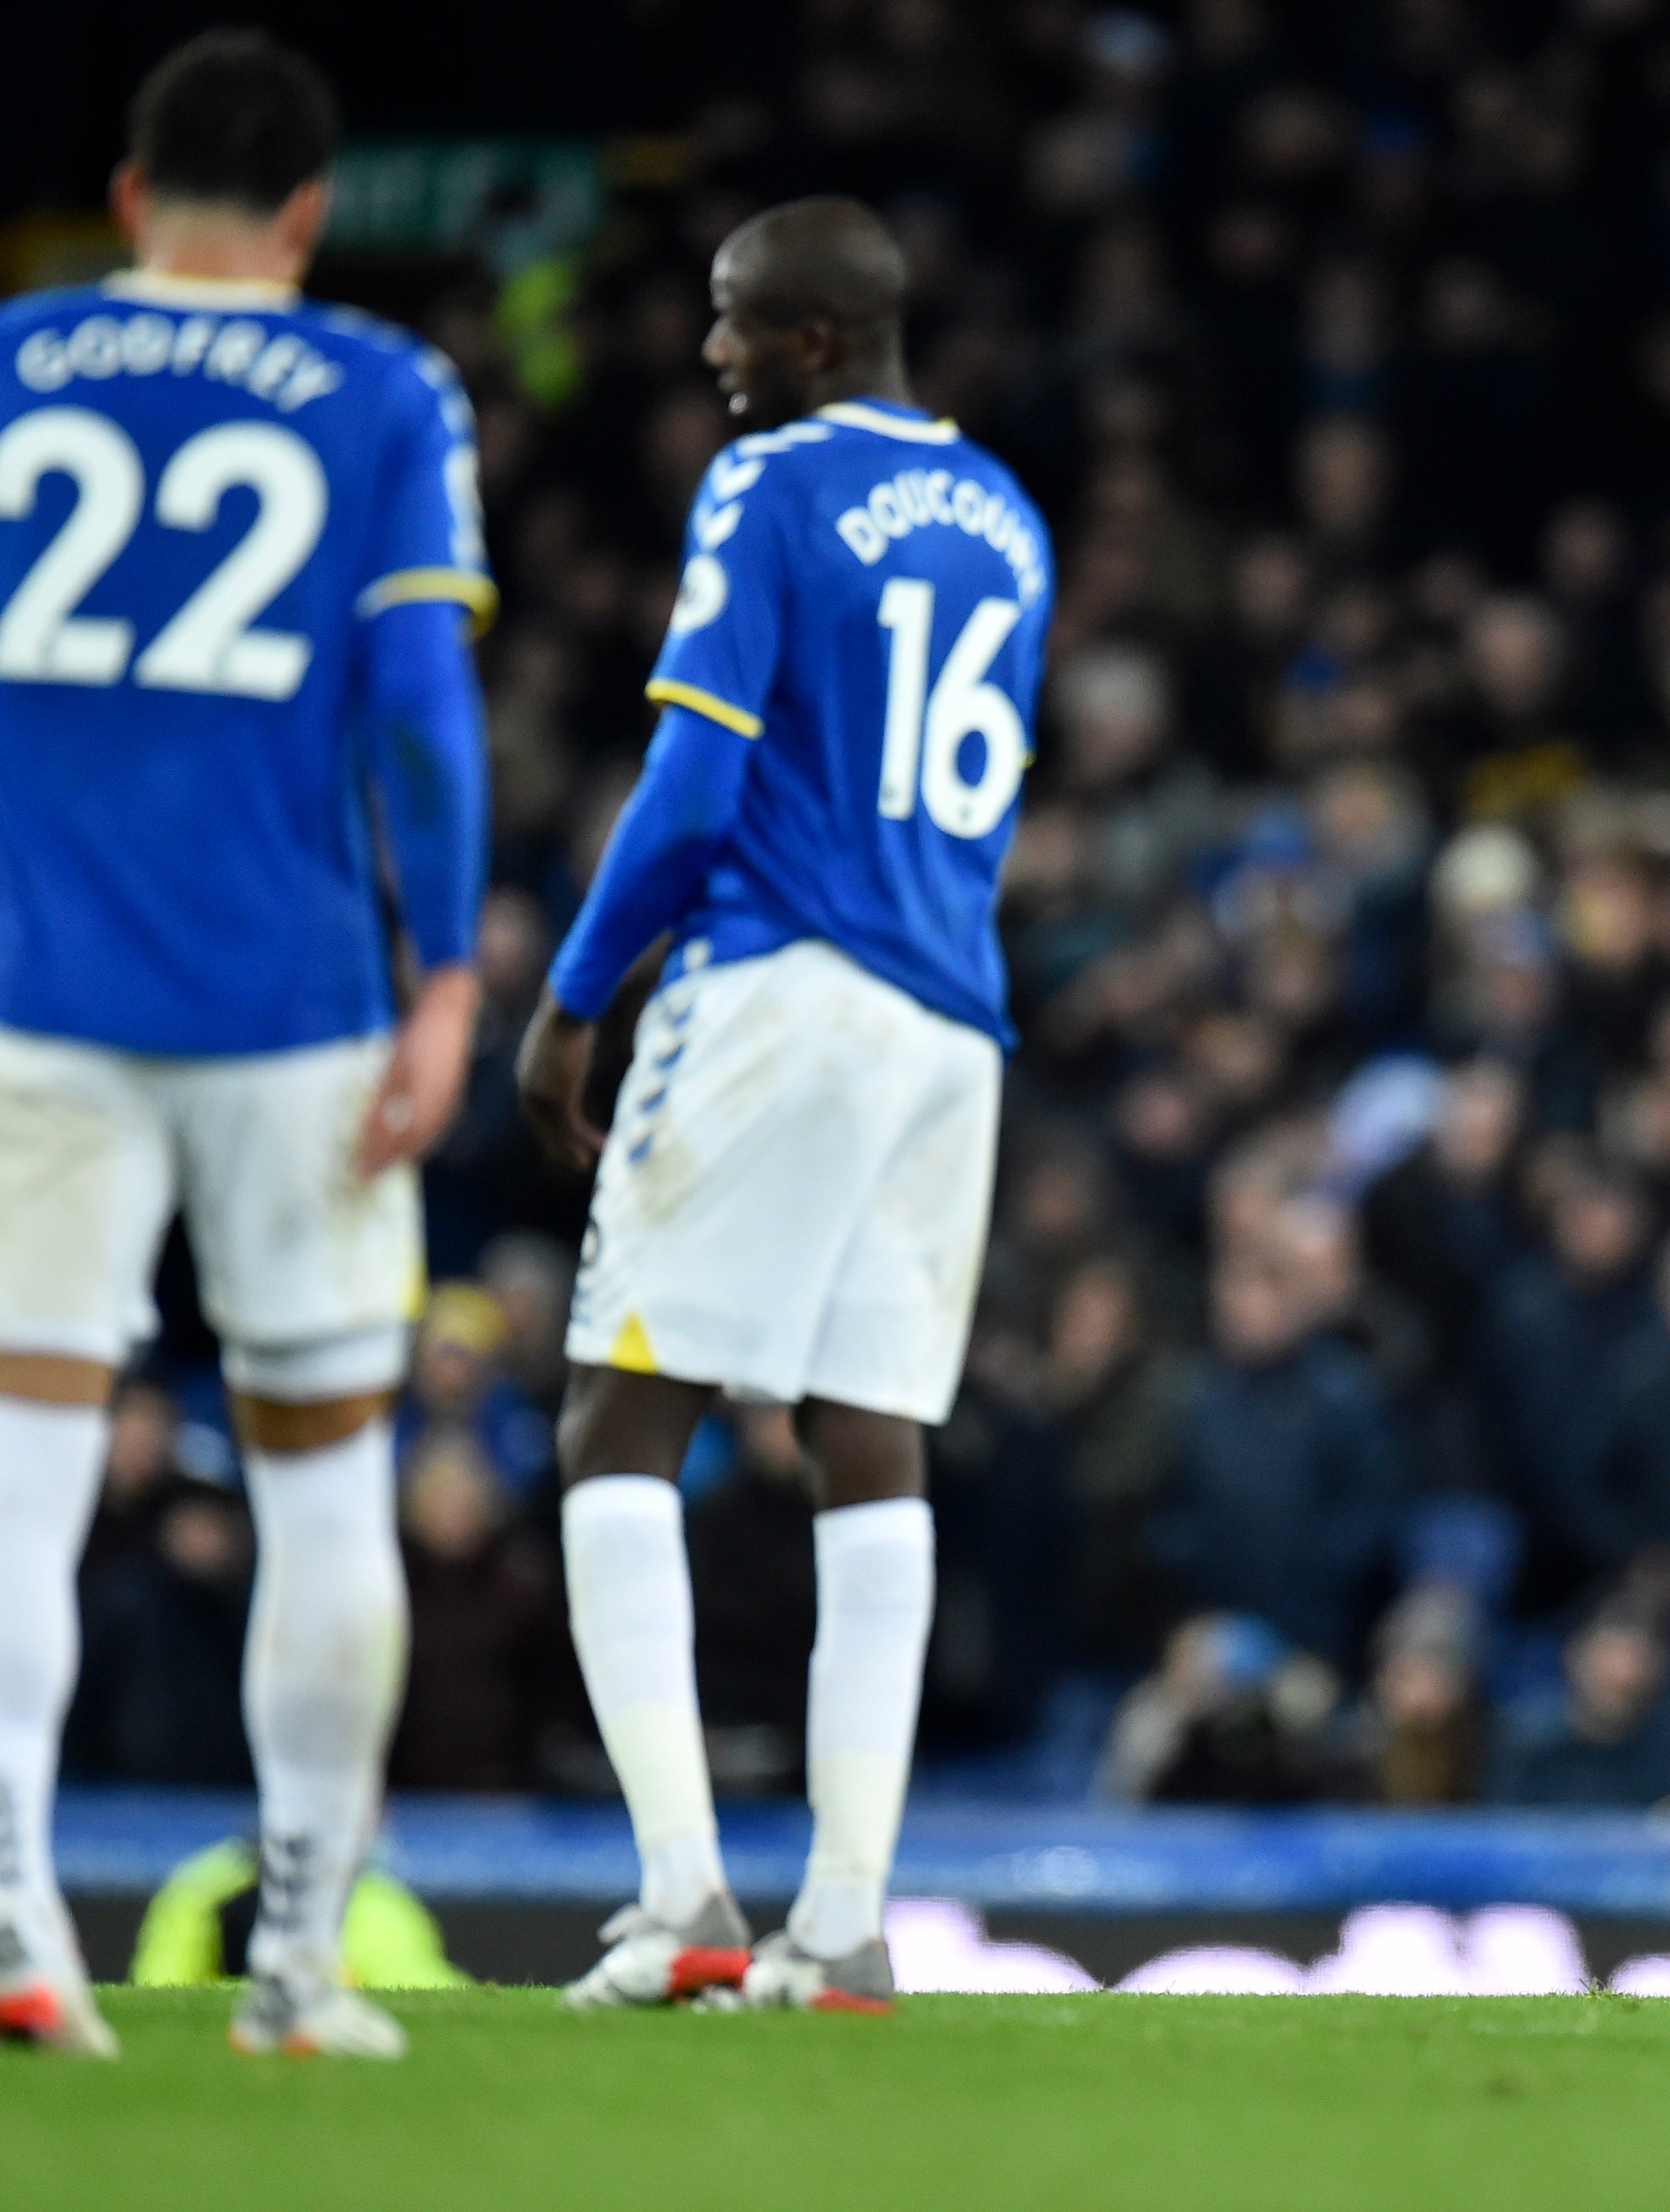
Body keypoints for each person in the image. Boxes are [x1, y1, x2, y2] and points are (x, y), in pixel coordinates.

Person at [0, 32, 489, 2058]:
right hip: (295, 1015)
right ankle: (295, 1960)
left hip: (36, 999)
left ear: (129, 199)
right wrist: (446, 971)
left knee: (15, 1477)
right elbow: (416, 712)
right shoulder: (387, 389)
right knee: (323, 1492)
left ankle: (12, 1915)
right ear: (306, 217)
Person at [515, 198, 1051, 2017]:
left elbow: (689, 772)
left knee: (613, 1422)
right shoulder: (1010, 521)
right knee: (870, 1430)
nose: (710, 352)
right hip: (948, 1014)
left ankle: (679, 1897)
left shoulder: (773, 487)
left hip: (779, 984)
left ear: (815, 339)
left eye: (736, 321)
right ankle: (842, 1919)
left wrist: (579, 992)